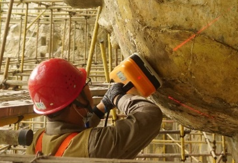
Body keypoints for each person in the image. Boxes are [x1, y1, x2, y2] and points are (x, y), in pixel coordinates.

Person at [26, 57, 163, 158]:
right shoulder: (95, 145)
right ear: (77, 103)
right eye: (85, 85)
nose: (88, 88)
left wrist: (101, 107)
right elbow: (150, 115)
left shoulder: (37, 141)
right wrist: (118, 98)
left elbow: (72, 138)